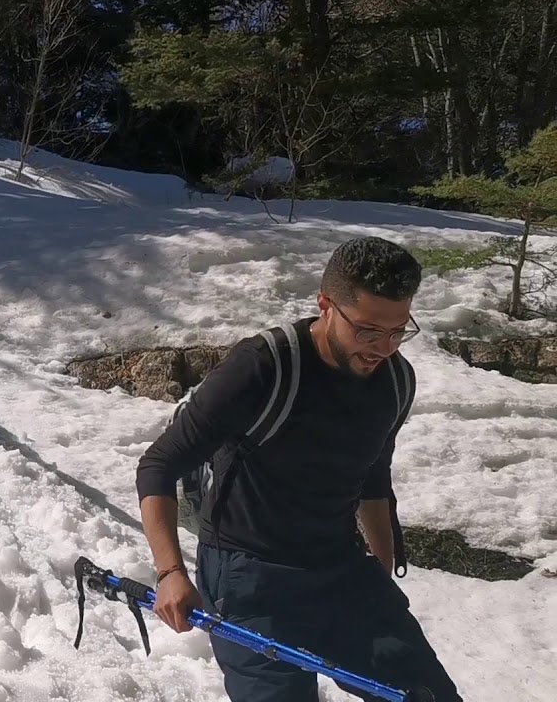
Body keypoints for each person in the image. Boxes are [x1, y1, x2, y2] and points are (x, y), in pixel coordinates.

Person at [135, 237, 461, 702]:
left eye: (397, 331)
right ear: (326, 305)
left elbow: (373, 476)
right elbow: (159, 465)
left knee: (429, 696)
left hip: (339, 566)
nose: (383, 348)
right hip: (247, 574)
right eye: (368, 330)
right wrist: (170, 572)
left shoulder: (395, 380)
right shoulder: (264, 368)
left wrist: (379, 576)